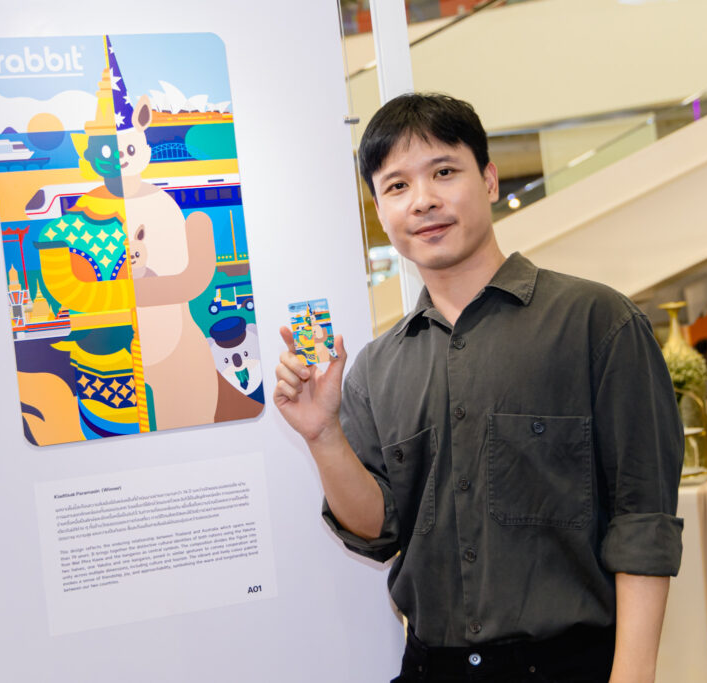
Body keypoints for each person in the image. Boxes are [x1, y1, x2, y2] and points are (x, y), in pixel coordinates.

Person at [273, 93, 683, 683]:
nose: (423, 200)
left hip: (569, 667)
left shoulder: (598, 322)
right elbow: (376, 530)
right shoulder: (374, 367)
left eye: (444, 172)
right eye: (397, 186)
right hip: (430, 667)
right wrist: (322, 435)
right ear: (380, 212)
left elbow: (642, 519)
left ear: (488, 180)